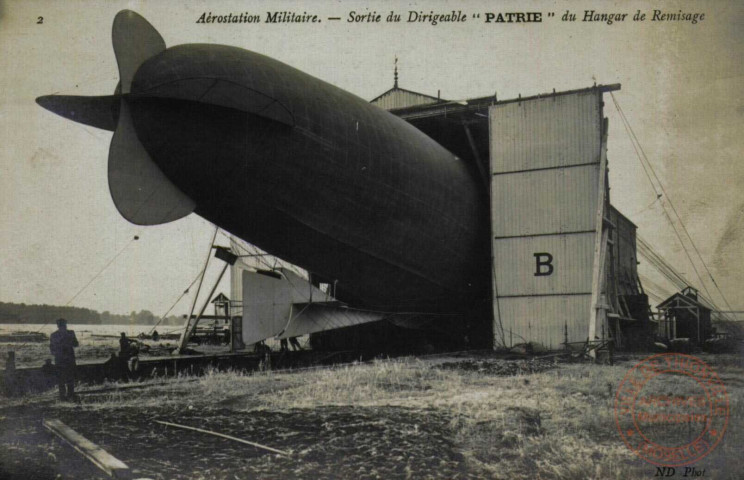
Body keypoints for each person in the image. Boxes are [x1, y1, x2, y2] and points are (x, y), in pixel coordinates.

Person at [49, 318, 78, 401]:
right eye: (62, 325)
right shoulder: (70, 333)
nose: (63, 326)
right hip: (66, 359)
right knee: (66, 378)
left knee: (64, 378)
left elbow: (52, 349)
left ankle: (66, 395)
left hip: (62, 359)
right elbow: (76, 344)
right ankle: (67, 395)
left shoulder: (54, 335)